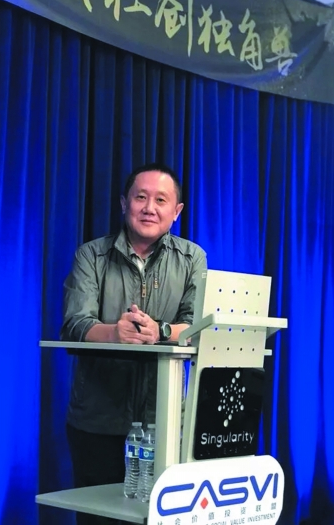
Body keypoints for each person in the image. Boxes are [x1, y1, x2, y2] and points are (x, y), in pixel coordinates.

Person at [61, 162, 207, 524]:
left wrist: (159, 331)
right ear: (124, 203)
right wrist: (115, 333)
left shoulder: (193, 258)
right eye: (141, 197)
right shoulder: (91, 256)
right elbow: (75, 324)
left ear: (177, 212)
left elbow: (197, 326)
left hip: (165, 423)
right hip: (98, 421)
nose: (149, 208)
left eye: (161, 200)